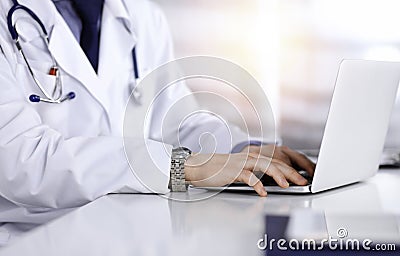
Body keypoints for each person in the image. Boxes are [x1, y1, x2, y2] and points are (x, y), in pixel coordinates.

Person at [0, 0, 315, 209]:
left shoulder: (140, 15)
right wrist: (180, 166)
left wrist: (244, 148)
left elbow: (179, 120)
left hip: (133, 223)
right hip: (37, 235)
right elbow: (20, 160)